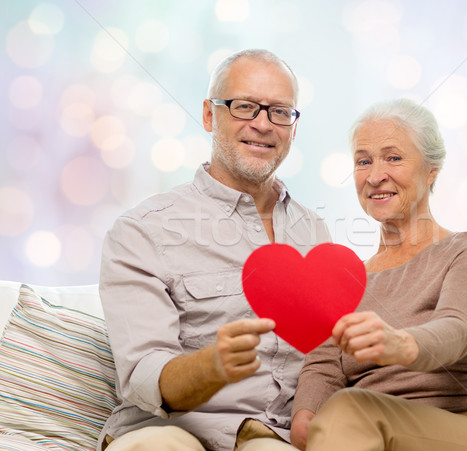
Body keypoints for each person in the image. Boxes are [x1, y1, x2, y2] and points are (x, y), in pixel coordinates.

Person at [97, 49, 331, 451]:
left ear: (293, 128)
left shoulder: (316, 233)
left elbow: (327, 362)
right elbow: (142, 376)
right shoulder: (143, 230)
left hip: (270, 437)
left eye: (279, 112)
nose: (262, 124)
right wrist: (211, 367)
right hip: (169, 430)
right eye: (244, 107)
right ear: (209, 115)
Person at [282, 98, 467, 450]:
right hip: (371, 433)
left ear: (432, 169)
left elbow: (457, 328)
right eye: (363, 161)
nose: (375, 176)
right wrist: (305, 417)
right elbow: (324, 368)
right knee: (339, 414)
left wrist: (400, 343)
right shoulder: (343, 281)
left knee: (348, 409)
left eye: (393, 157)